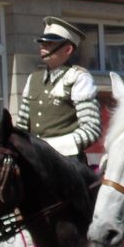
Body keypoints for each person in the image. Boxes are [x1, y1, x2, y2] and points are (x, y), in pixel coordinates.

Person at [16, 16, 101, 163]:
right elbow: (22, 126)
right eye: (42, 43)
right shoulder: (33, 78)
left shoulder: (79, 78)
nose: (42, 47)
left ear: (67, 49)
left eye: (49, 43)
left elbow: (91, 129)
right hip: (34, 161)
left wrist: (49, 148)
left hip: (66, 163)